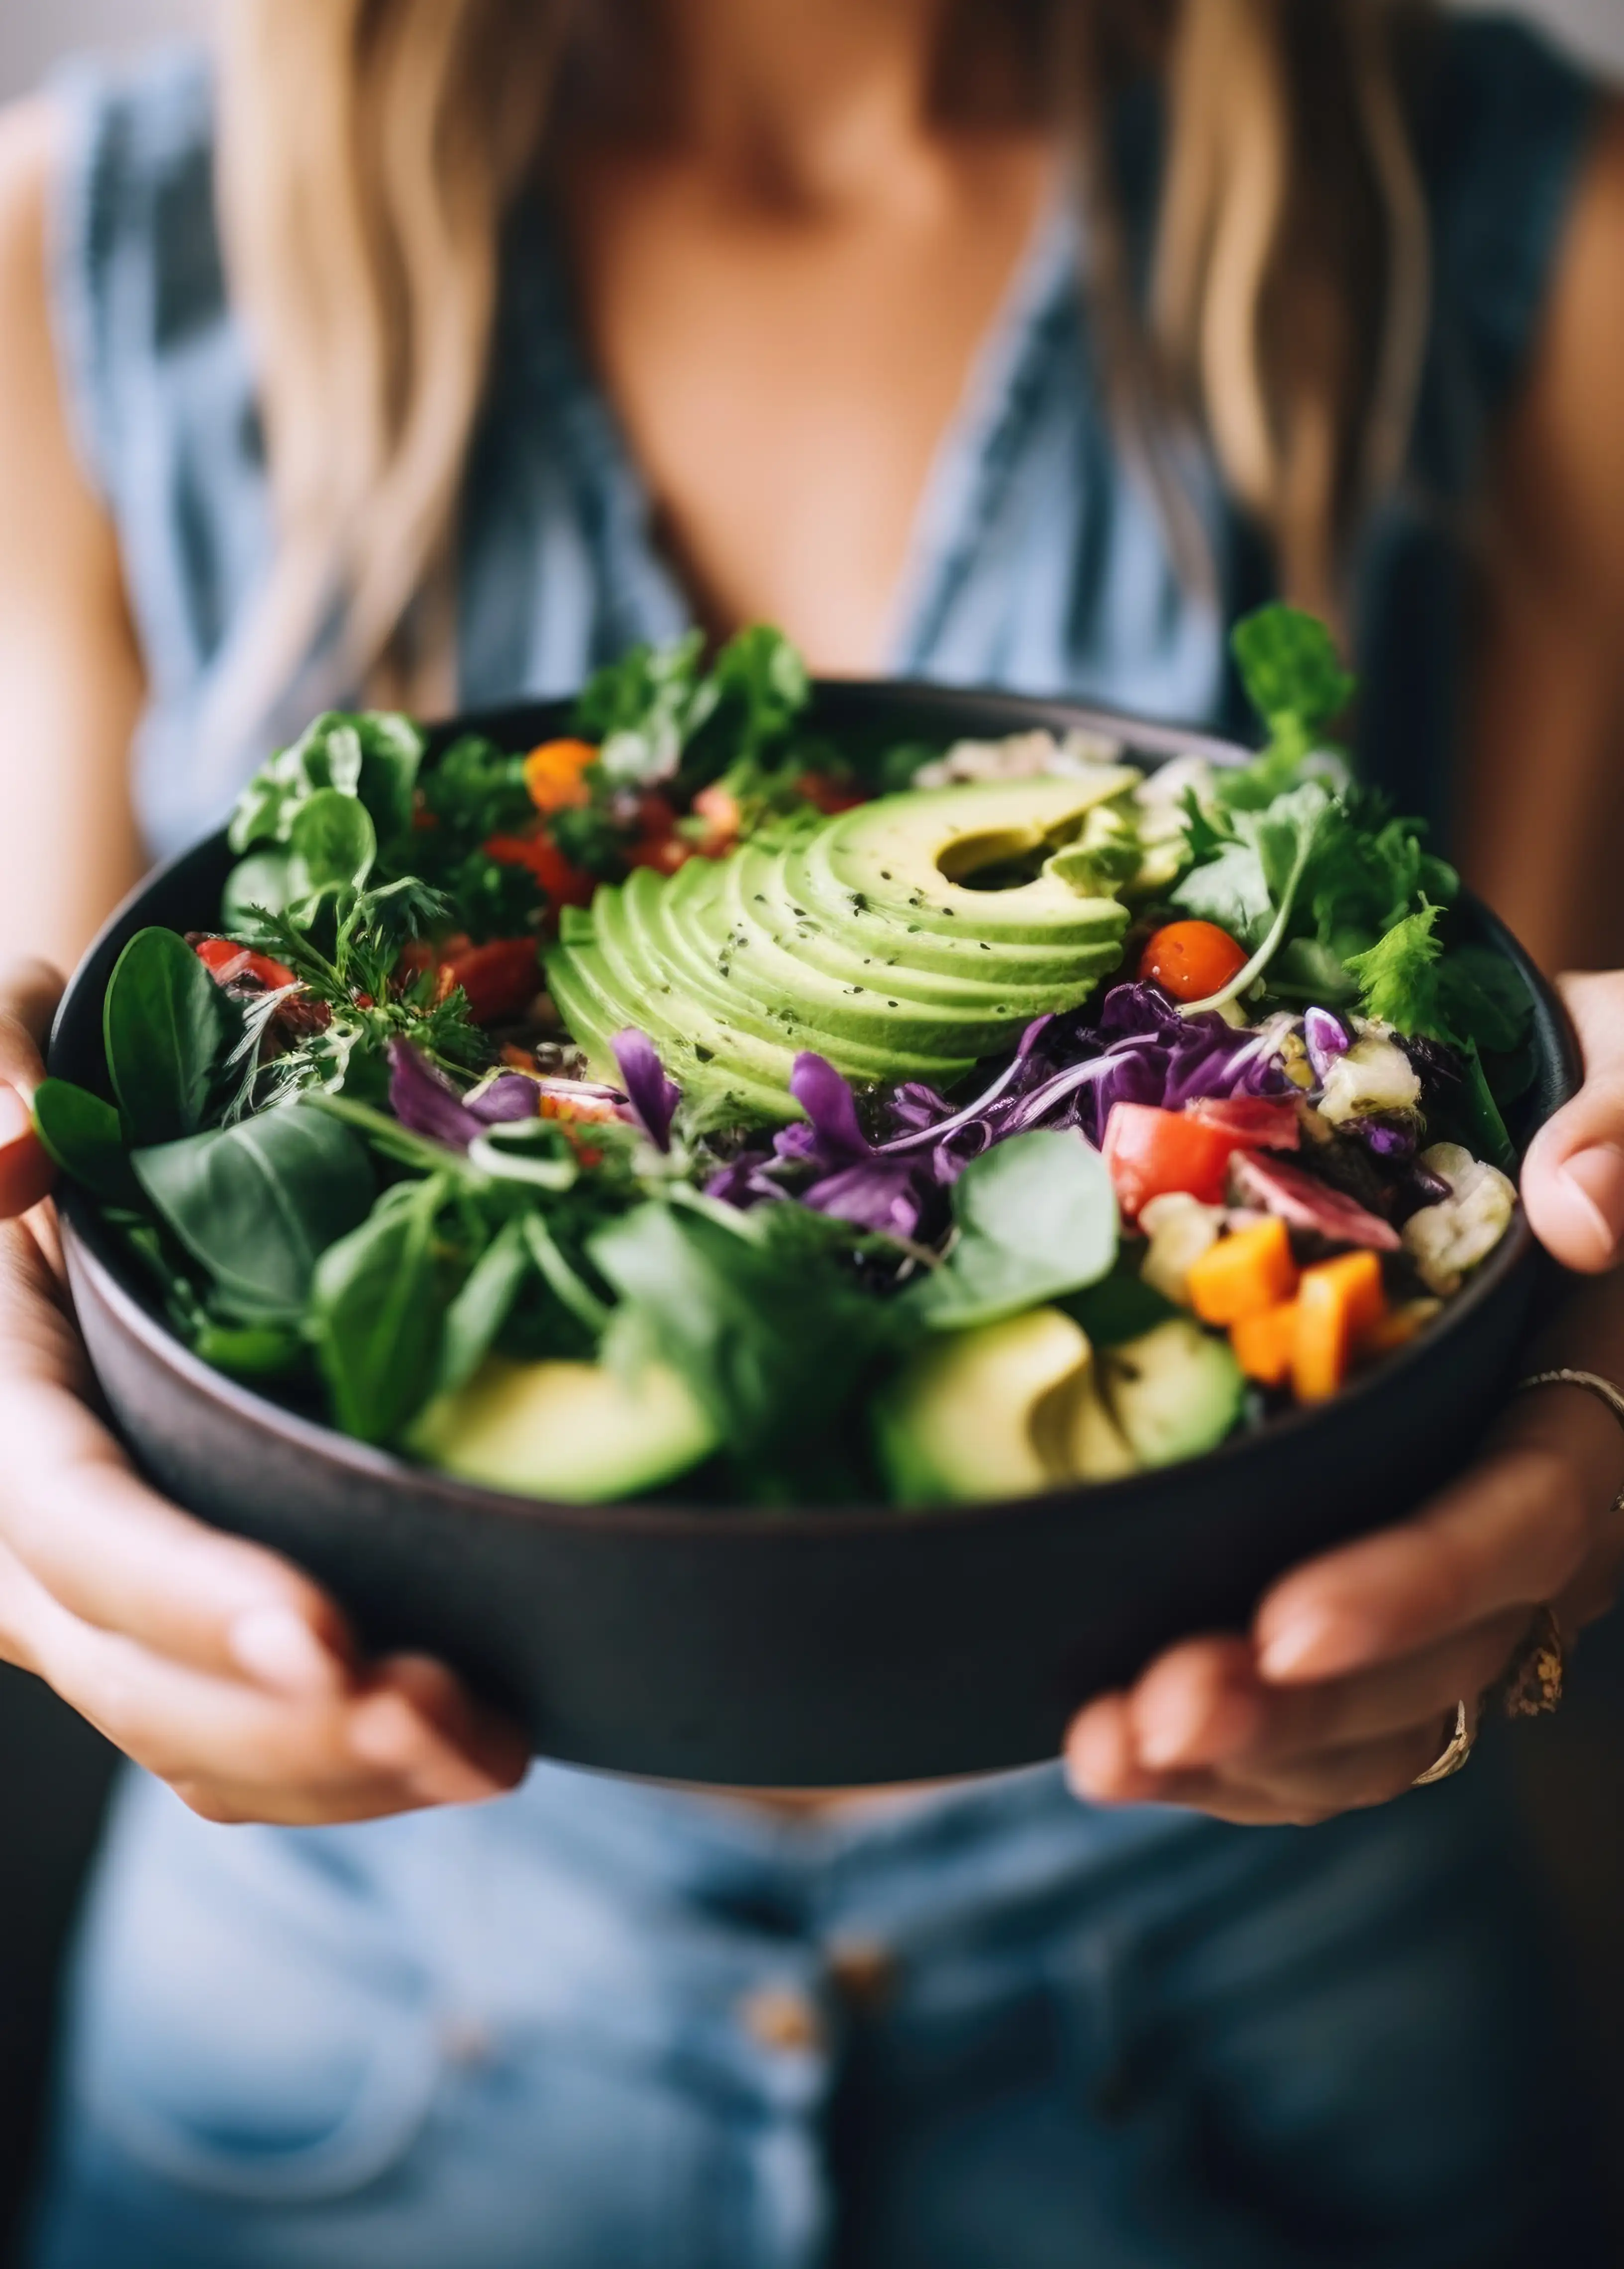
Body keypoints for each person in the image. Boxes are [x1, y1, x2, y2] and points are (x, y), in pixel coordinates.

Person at [1, 1, 1623, 2261]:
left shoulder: (1532, 220)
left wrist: (1585, 1401)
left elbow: (1520, 1146)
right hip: (353, 2039)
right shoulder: (79, 257)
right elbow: (55, 1112)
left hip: (1278, 2006)